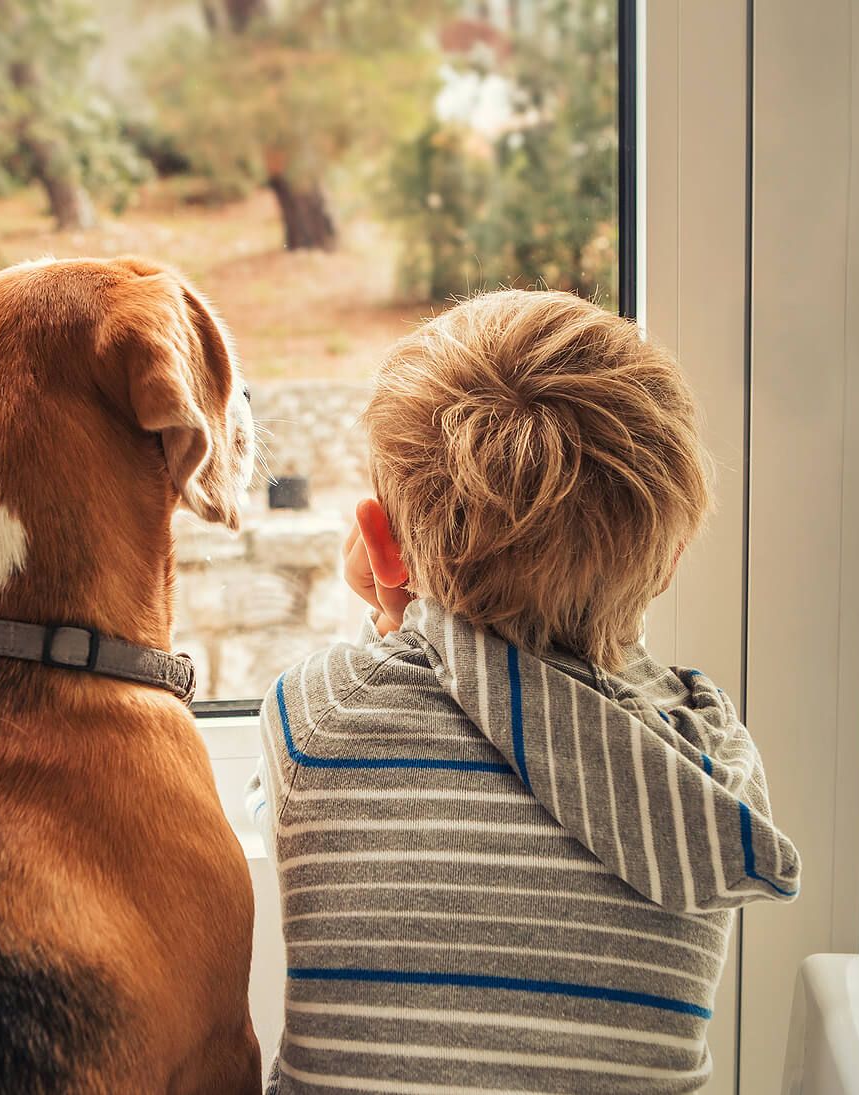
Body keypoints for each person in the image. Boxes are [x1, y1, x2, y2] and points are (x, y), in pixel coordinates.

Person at [248, 289, 800, 1093]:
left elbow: (273, 810)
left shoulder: (323, 714)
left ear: (379, 544)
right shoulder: (707, 762)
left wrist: (394, 618)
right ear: (674, 555)